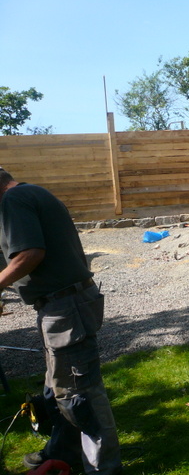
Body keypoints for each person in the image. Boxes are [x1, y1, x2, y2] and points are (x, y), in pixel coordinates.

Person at [0, 168, 122, 474]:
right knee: (59, 388)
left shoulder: (14, 200)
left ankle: (104, 469)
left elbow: (30, 253)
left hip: (64, 306)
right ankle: (64, 453)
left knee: (81, 394)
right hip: (65, 303)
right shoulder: (32, 193)